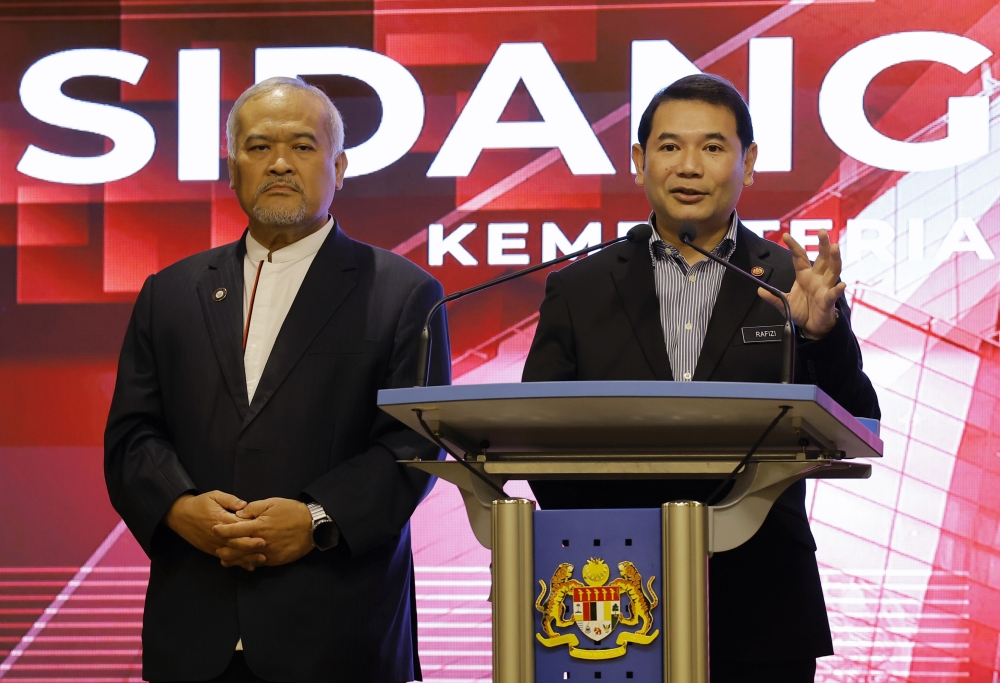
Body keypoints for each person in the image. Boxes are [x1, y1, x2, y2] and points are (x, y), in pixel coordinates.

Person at [522, 74, 880, 682]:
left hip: (764, 598)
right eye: (669, 147)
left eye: (713, 147)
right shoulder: (578, 287)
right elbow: (536, 441)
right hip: (609, 599)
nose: (689, 166)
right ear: (639, 162)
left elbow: (860, 421)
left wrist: (822, 334)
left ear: (750, 162)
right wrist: (619, 539)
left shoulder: (791, 281)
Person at [104, 77, 450, 683]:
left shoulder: (404, 292)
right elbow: (134, 435)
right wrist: (180, 507)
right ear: (231, 168)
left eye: (304, 146)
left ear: (340, 167)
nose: (281, 163)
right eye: (259, 147)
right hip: (194, 627)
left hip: (339, 629)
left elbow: (412, 447)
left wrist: (318, 519)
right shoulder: (169, 293)